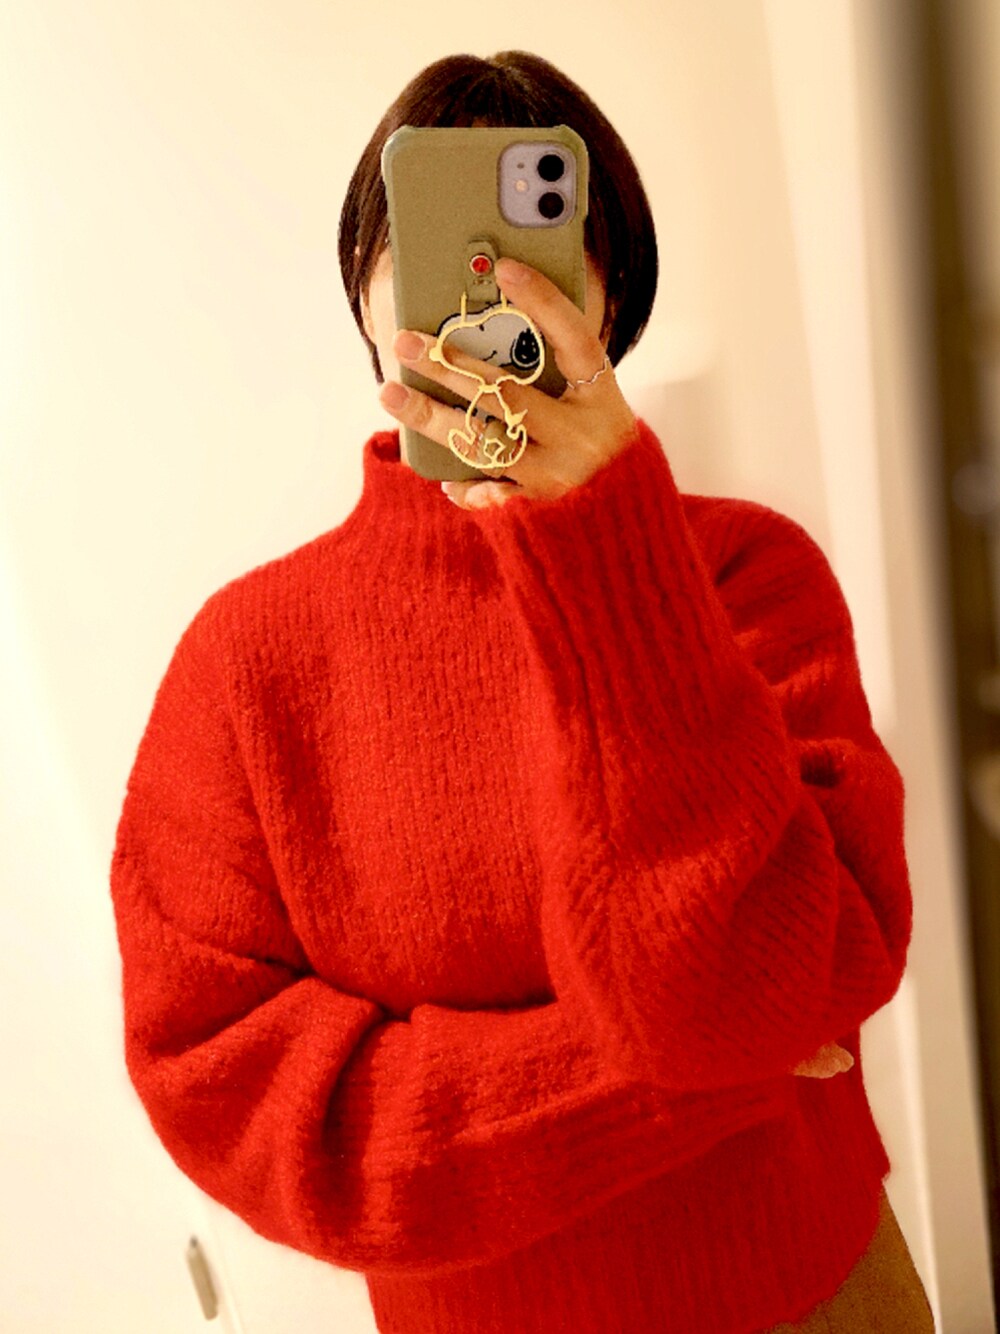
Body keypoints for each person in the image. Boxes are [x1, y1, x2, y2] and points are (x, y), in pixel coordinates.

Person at [108, 50, 936, 1334]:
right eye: (437, 228)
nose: (494, 276)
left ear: (609, 294)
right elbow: (254, 1110)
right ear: (366, 288)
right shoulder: (246, 663)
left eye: (549, 235)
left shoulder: (742, 574)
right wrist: (696, 1076)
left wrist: (611, 546)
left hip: (820, 1298)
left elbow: (809, 964)